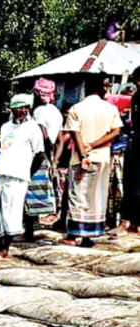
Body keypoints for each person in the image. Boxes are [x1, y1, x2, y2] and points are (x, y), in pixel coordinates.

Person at [55, 73, 124, 245]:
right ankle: (89, 235)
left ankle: (73, 234)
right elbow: (116, 131)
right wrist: (95, 145)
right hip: (102, 158)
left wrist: (85, 152)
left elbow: (75, 133)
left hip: (80, 158)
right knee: (97, 196)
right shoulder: (110, 109)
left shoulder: (77, 108)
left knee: (77, 195)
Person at [0, 94, 46, 260]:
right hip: (1, 172)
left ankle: (4, 249)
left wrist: (27, 172)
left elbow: (40, 155)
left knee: (10, 212)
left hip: (18, 175)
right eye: (17, 108)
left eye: (24, 108)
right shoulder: (5, 127)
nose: (21, 111)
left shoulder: (33, 128)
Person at [25, 78, 64, 237]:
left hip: (37, 156)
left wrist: (41, 152)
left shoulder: (38, 112)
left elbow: (43, 134)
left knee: (29, 192)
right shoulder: (56, 112)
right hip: (49, 156)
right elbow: (60, 139)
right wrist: (54, 161)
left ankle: (29, 230)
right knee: (40, 192)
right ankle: (31, 228)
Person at [123, 66, 140, 233]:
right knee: (133, 183)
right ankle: (134, 222)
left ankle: (135, 222)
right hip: (136, 141)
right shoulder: (136, 98)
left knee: (135, 183)